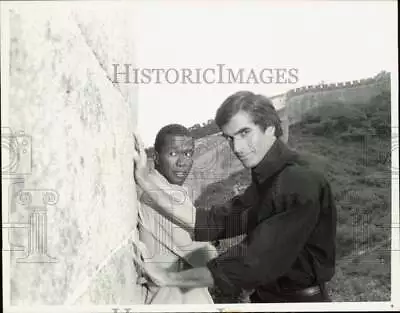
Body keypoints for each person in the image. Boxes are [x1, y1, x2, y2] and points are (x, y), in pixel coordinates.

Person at [133, 91, 337, 303]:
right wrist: (146, 182)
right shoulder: (268, 180)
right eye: (230, 138)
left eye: (245, 133)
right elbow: (212, 222)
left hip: (299, 305)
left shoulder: (297, 180)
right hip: (266, 300)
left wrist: (169, 278)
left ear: (270, 128)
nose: (237, 148)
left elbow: (253, 261)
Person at [135, 124, 217, 304]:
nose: (182, 162)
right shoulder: (159, 199)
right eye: (173, 154)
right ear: (156, 158)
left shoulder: (168, 192)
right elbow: (212, 263)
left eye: (188, 154)